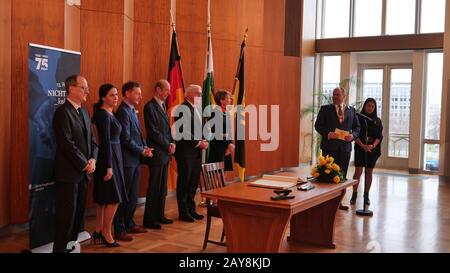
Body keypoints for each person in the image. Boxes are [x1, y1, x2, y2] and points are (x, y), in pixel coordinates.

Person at [52, 75, 98, 253]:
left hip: (84, 175)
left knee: (78, 217)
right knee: (66, 218)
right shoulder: (62, 112)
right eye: (83, 87)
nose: (87, 91)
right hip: (68, 175)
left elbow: (93, 142)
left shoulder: (84, 112)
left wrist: (93, 159)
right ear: (71, 89)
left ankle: (71, 248)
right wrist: (85, 164)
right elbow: (66, 144)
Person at [113, 81, 152, 241]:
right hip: (127, 161)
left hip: (135, 160)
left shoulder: (131, 110)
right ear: (127, 93)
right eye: (137, 93)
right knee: (124, 196)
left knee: (133, 196)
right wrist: (142, 150)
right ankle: (119, 228)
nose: (140, 96)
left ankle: (129, 223)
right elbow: (126, 139)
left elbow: (137, 134)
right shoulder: (123, 111)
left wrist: (144, 147)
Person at [92, 83, 128, 248]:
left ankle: (98, 231)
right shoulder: (103, 115)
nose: (115, 98)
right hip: (109, 159)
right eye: (112, 95)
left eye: (116, 95)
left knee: (104, 199)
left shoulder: (109, 113)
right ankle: (107, 233)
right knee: (114, 198)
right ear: (103, 97)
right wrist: (108, 166)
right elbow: (105, 141)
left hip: (115, 157)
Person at [314, 87, 360, 210]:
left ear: (344, 96)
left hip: (345, 149)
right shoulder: (325, 109)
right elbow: (318, 125)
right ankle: (326, 203)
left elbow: (357, 128)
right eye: (334, 94)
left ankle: (338, 203)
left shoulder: (351, 111)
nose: (335, 96)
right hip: (329, 148)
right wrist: (328, 134)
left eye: (338, 94)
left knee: (342, 176)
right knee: (328, 175)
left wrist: (353, 136)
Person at [143, 80, 175, 229]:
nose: (169, 93)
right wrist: (167, 144)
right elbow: (153, 131)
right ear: (158, 90)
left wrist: (172, 142)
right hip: (157, 153)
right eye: (166, 90)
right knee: (155, 186)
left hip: (165, 153)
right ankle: (149, 219)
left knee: (162, 187)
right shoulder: (150, 107)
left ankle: (159, 215)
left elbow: (166, 130)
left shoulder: (162, 106)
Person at [174, 84, 208, 222]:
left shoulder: (196, 109)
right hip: (186, 152)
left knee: (193, 183)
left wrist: (205, 137)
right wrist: (199, 143)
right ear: (188, 94)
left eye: (200, 94)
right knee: (184, 183)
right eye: (198, 94)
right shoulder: (182, 109)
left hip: (196, 153)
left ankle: (191, 209)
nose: (200, 96)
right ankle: (183, 212)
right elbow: (183, 131)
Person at [350, 98, 383, 206]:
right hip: (360, 147)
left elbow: (379, 136)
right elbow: (355, 134)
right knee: (358, 172)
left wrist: (372, 146)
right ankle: (354, 194)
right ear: (365, 106)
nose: (370, 108)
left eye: (372, 106)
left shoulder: (377, 121)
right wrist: (363, 146)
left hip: (372, 149)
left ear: (375, 108)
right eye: (368, 105)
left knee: (369, 172)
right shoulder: (358, 118)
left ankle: (366, 195)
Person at [208, 90, 234, 171]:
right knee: (218, 172)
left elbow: (228, 131)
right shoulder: (215, 113)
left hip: (226, 146)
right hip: (218, 146)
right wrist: (228, 145)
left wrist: (230, 145)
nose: (230, 100)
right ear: (221, 100)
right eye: (228, 98)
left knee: (225, 169)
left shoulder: (226, 112)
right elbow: (216, 132)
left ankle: (222, 184)